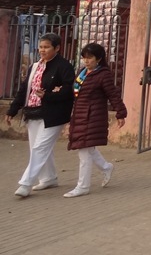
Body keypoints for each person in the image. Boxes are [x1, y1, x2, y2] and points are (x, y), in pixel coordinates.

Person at [5, 33, 75, 198]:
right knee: (37, 148)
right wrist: (12, 110)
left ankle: (25, 183)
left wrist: (48, 95)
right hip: (33, 111)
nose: (42, 50)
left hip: (54, 115)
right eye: (41, 47)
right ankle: (49, 178)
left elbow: (68, 91)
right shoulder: (35, 66)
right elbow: (25, 89)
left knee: (40, 148)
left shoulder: (64, 66)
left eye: (46, 47)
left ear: (57, 48)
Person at [62, 43, 128, 197]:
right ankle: (106, 167)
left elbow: (113, 94)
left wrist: (120, 113)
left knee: (84, 151)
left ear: (98, 59)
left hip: (93, 115)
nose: (86, 61)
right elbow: (76, 93)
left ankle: (83, 186)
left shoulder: (103, 74)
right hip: (79, 114)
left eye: (90, 57)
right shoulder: (82, 72)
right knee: (88, 148)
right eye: (84, 57)